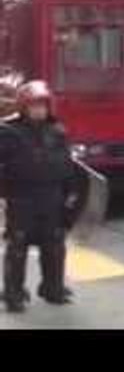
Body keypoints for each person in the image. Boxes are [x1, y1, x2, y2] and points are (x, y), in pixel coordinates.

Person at [0, 82, 85, 312]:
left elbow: (68, 165)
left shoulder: (57, 131)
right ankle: (13, 294)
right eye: (34, 105)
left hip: (52, 197)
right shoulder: (9, 132)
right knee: (18, 247)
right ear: (24, 106)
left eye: (42, 105)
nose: (39, 110)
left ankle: (53, 288)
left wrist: (72, 193)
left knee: (55, 245)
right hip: (22, 198)